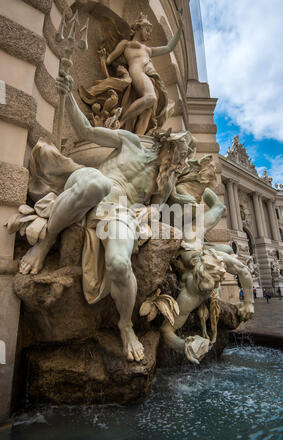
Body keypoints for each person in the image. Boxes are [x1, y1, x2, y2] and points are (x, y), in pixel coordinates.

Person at [18, 71, 226, 364]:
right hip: (92, 181)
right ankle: (45, 242)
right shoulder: (130, 142)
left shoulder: (164, 182)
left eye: (185, 156)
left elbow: (161, 208)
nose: (182, 158)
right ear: (167, 142)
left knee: (118, 263)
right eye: (182, 151)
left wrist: (155, 209)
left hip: (120, 212)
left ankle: (125, 324)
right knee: (97, 184)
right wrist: (66, 99)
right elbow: (87, 132)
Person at [106, 12, 183, 135]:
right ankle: (119, 122)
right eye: (147, 30)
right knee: (150, 97)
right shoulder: (126, 44)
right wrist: (117, 67)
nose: (149, 35)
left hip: (150, 76)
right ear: (139, 27)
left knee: (148, 110)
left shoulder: (148, 50)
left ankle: (138, 137)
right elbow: (109, 59)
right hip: (137, 71)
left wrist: (180, 28)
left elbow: (169, 48)